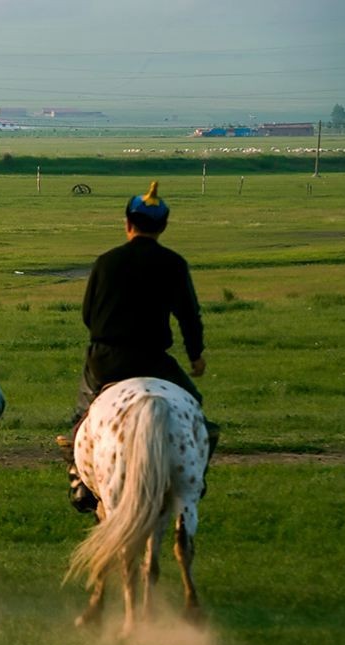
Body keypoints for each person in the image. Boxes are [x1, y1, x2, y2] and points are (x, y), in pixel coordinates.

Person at [57, 181, 219, 512]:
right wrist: (196, 355)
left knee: (82, 415)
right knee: (197, 411)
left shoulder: (105, 261)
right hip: (153, 361)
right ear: (163, 226)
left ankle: (78, 479)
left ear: (128, 223)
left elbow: (89, 314)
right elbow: (189, 314)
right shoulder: (174, 263)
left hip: (107, 360)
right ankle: (195, 475)